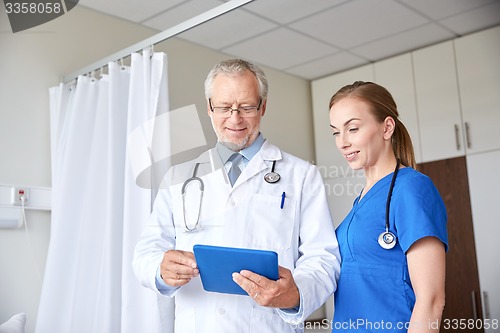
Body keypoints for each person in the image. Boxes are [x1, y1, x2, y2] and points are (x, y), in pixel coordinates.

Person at [133, 58, 341, 333]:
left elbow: (323, 257)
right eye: (223, 107)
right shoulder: (178, 178)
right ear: (209, 108)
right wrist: (160, 268)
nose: (234, 118)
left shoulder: (302, 175)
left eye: (246, 107)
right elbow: (146, 252)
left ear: (263, 107)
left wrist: (295, 293)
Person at [328, 81, 448, 332]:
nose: (342, 142)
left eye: (353, 128)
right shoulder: (361, 200)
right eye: (336, 132)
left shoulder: (411, 189)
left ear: (387, 127)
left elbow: (431, 300)